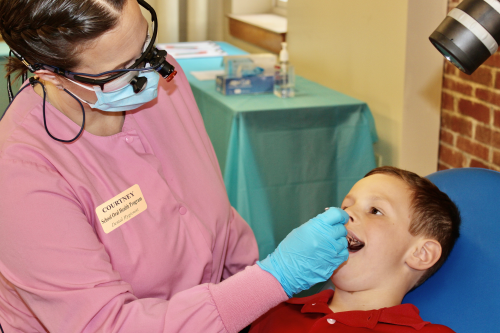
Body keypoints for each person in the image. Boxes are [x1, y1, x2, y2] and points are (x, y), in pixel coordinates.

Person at [0, 0, 350, 332]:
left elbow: (213, 214)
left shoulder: (164, 81)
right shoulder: (22, 174)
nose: (150, 72)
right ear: (51, 75)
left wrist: (252, 294)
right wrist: (274, 279)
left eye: (146, 46)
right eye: (122, 70)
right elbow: (107, 325)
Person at [249, 166, 461, 333]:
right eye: (345, 207)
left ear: (420, 254)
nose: (344, 215)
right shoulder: (272, 312)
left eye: (375, 211)